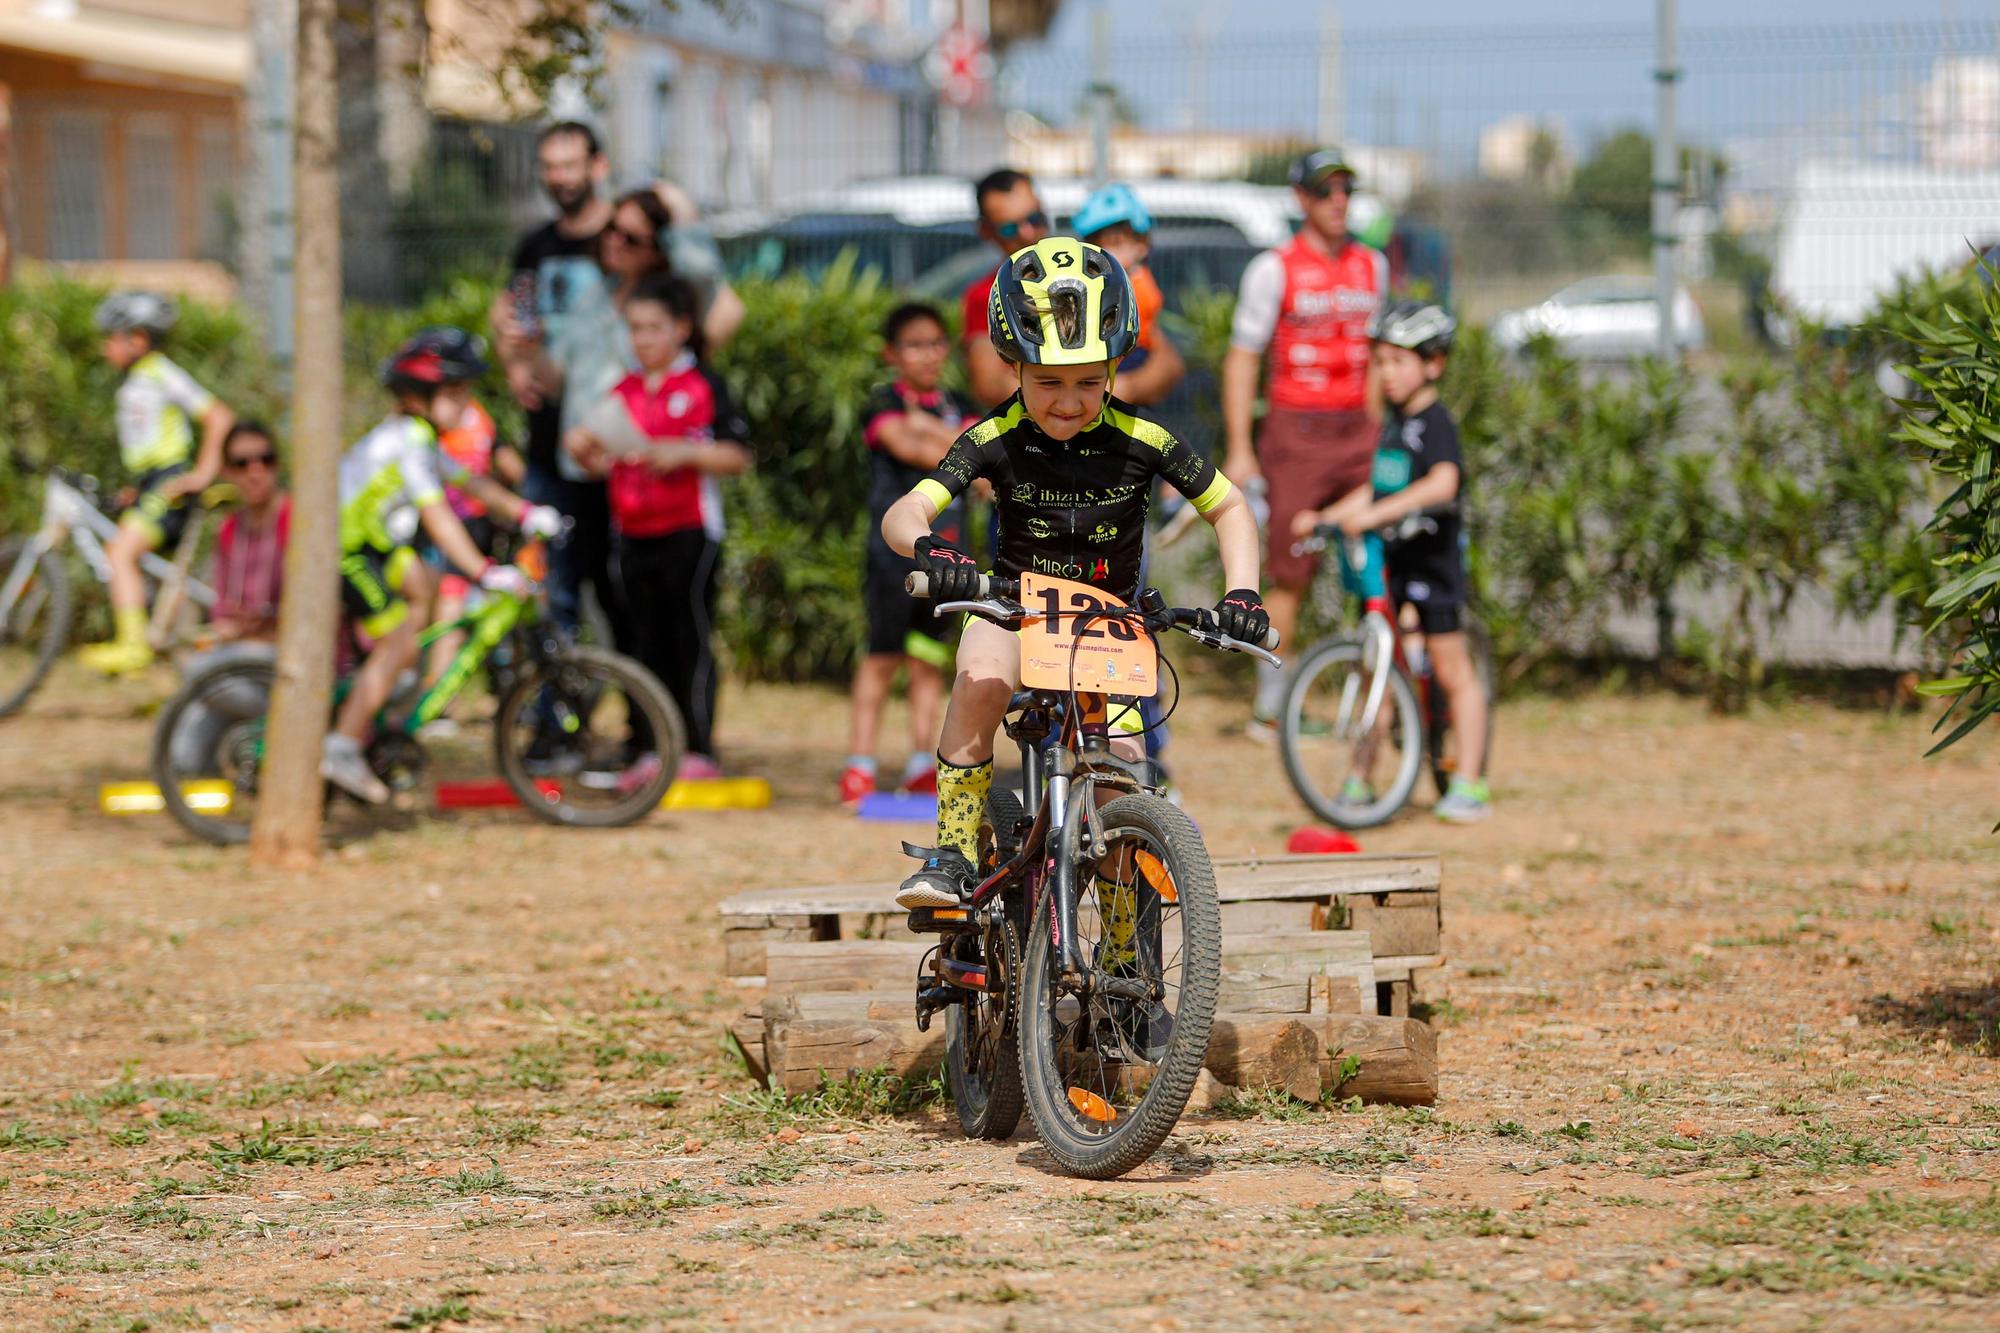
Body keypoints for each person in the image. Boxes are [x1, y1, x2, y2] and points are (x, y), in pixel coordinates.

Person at [881, 237, 1268, 913]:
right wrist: (930, 548)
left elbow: (1230, 507)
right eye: (1048, 381)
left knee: (1123, 764)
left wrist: (1242, 591)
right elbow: (906, 508)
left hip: (1106, 623)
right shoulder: (991, 436)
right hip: (1012, 606)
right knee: (981, 676)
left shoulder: (1144, 440)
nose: (1069, 402)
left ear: (1118, 367)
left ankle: (1124, 951)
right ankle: (953, 851)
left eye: (1091, 381)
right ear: (1013, 366)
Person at [323, 328, 564, 804]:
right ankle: (343, 746)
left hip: (375, 550)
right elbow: (439, 515)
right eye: (456, 395)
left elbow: (472, 484)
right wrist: (482, 571)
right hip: (345, 554)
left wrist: (525, 512)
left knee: (422, 598)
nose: (467, 406)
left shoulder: (419, 439)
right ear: (418, 397)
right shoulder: (406, 442)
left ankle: (383, 703)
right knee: (398, 640)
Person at [1289, 300, 1490, 823]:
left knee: (1453, 672)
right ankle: (1360, 777)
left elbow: (1443, 482)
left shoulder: (1434, 422)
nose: (1388, 374)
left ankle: (1469, 782)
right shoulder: (1396, 425)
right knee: (1379, 665)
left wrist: (1378, 513)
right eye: (1380, 362)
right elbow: (1377, 490)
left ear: (1433, 364)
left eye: (1399, 361)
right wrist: (1324, 516)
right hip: (1394, 567)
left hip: (1434, 566)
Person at [1221, 147, 1388, 738]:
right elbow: (1242, 360)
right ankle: (1271, 706)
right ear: (1301, 200)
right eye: (1325, 192)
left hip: (1358, 430)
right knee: (1291, 569)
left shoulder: (1373, 264)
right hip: (1297, 429)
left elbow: (1376, 360)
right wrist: (1242, 447)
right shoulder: (1274, 268)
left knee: (1376, 555)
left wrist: (1378, 432)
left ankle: (1377, 704)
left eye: (1346, 190)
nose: (1338, 202)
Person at [564, 273, 751, 782]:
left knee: (688, 639)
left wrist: (685, 453)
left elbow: (737, 455)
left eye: (654, 327)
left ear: (681, 328)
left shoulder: (702, 384)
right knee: (641, 642)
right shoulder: (621, 389)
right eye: (635, 328)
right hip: (631, 534)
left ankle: (698, 749)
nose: (643, 339)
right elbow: (605, 462)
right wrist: (587, 453)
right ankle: (651, 747)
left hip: (690, 531)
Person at [840, 302, 971, 807]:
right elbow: (910, 446)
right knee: (881, 657)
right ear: (891, 354)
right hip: (891, 554)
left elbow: (973, 453)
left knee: (928, 660)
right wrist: (940, 437)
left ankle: (922, 762)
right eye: (914, 345)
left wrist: (929, 427)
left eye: (936, 343)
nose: (928, 355)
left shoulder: (956, 401)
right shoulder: (881, 403)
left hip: (951, 555)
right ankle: (860, 765)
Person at [78, 292, 237, 675]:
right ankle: (169, 659)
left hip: (169, 483)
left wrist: (201, 474)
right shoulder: (138, 380)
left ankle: (134, 647)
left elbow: (220, 417)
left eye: (112, 337)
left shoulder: (159, 372)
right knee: (157, 574)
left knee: (120, 553)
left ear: (139, 339)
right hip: (152, 483)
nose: (105, 347)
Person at [420, 395, 526, 698]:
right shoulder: (436, 418)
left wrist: (529, 502)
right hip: (448, 529)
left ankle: (499, 690)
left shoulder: (480, 416)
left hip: (483, 529)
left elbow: (507, 462)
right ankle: (436, 698)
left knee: (472, 610)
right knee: (448, 612)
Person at [1069, 182, 1186, 406]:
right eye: (1096, 245)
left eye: (1116, 243)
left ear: (1141, 245)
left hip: (1132, 358)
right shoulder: (1095, 283)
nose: (1105, 254)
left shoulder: (1133, 281)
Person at [961, 169, 1050, 410]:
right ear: (986, 232)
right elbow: (989, 386)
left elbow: (1163, 363)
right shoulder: (986, 295)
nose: (1027, 233)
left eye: (1034, 219)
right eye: (1010, 228)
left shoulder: (1090, 273)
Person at [206, 422, 289, 644]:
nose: (255, 471)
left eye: (266, 459)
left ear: (277, 464)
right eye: (241, 464)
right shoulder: (229, 530)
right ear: (226, 471)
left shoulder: (298, 522)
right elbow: (221, 610)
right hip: (243, 655)